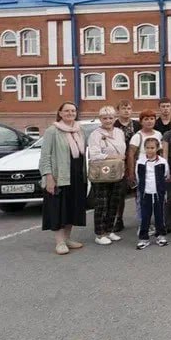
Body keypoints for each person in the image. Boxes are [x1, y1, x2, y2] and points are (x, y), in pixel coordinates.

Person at [40, 102, 88, 255]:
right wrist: (49, 177)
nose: (70, 113)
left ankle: (67, 239)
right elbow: (45, 156)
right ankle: (59, 242)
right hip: (60, 176)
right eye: (66, 111)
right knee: (58, 209)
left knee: (72, 208)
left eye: (73, 111)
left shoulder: (80, 130)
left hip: (77, 176)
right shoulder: (52, 131)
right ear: (60, 113)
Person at [87, 105, 127, 246]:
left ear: (115, 118)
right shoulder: (95, 134)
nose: (108, 120)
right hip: (102, 172)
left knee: (114, 202)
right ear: (100, 119)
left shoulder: (119, 132)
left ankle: (109, 230)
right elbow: (94, 154)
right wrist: (113, 156)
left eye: (111, 118)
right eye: (105, 118)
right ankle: (100, 233)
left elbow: (123, 150)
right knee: (102, 203)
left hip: (117, 171)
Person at [135, 137, 170, 249]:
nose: (150, 150)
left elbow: (165, 175)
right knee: (145, 216)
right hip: (145, 193)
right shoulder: (140, 162)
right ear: (144, 148)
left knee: (159, 215)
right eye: (147, 148)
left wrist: (161, 189)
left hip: (158, 193)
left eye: (152, 148)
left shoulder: (162, 162)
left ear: (157, 148)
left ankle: (161, 236)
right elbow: (138, 177)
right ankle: (144, 238)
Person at [111, 99, 140, 233]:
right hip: (120, 162)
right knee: (119, 192)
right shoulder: (114, 125)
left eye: (128, 108)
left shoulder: (137, 125)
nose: (126, 111)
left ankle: (141, 218)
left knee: (138, 191)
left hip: (136, 160)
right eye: (123, 108)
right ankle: (118, 219)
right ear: (118, 111)